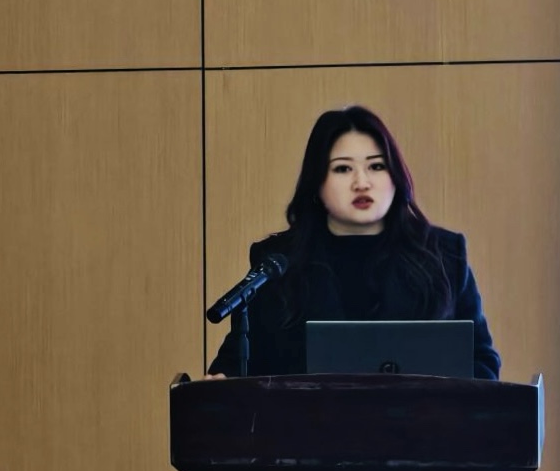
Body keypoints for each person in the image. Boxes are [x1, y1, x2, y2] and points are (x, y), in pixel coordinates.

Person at [206, 105, 500, 379]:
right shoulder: (278, 262)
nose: (362, 182)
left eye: (376, 166)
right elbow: (238, 363)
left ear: (395, 176)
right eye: (343, 169)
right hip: (307, 419)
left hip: (422, 419)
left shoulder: (444, 255)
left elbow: (482, 364)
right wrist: (220, 385)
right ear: (317, 182)